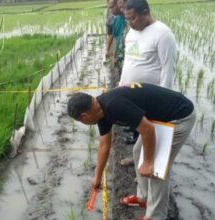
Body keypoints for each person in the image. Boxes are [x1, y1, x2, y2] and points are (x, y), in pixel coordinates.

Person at [67, 83, 196, 220]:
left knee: (157, 168)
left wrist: (148, 162)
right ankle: (143, 197)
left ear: (84, 116)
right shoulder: (100, 110)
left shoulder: (114, 105)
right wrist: (97, 176)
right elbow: (104, 144)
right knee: (138, 151)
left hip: (179, 117)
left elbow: (148, 130)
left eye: (81, 121)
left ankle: (156, 216)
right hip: (160, 118)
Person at [119, 0, 176, 146]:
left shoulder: (163, 33)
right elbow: (129, 61)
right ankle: (137, 155)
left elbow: (167, 67)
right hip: (131, 91)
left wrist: (164, 97)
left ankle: (148, 161)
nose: (130, 23)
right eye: (127, 19)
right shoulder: (132, 32)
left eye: (133, 18)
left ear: (145, 13)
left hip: (150, 95)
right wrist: (121, 84)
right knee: (138, 126)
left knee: (150, 129)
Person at [105, 0, 126, 74]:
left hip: (129, 56)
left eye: (112, 7)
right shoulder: (114, 20)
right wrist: (113, 55)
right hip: (119, 56)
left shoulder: (130, 19)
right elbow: (112, 36)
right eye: (109, 8)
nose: (110, 10)